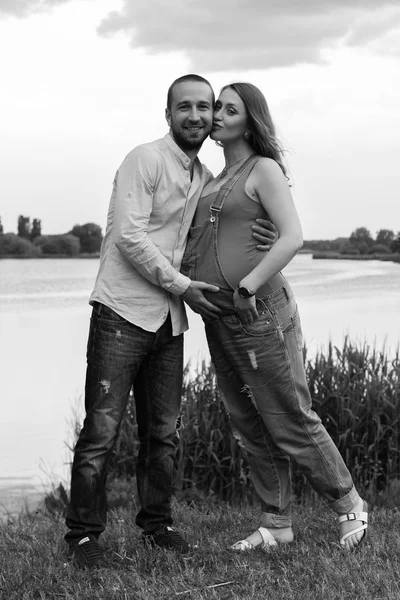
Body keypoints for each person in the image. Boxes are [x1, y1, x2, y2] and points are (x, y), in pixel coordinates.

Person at [64, 74, 276, 568]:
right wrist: (182, 287)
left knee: (163, 433)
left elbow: (220, 228)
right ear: (168, 114)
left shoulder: (202, 177)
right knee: (101, 429)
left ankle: (157, 526)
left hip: (168, 322)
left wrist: (264, 230)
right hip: (121, 313)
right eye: (186, 107)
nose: (197, 116)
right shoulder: (145, 160)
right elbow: (129, 237)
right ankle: (82, 535)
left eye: (206, 107)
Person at [180, 82, 368, 552]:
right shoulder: (211, 179)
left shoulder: (263, 169)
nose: (216, 116)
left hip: (259, 309)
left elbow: (291, 236)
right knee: (248, 422)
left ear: (251, 120)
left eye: (228, 109)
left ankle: (350, 504)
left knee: (288, 417)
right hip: (220, 317)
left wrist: (246, 285)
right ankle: (276, 523)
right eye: (215, 108)